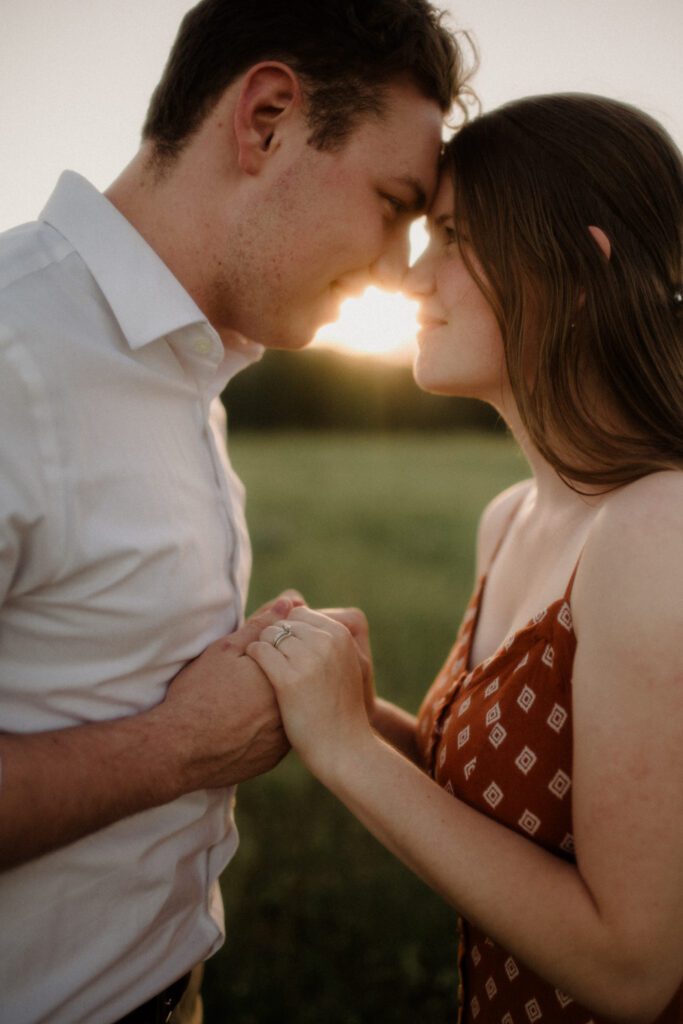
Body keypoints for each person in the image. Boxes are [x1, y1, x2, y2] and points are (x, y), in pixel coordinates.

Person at [0, 2, 469, 1021]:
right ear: (265, 119)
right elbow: (173, 730)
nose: (399, 269)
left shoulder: (185, 368)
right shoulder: (14, 356)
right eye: (394, 204)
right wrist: (177, 746)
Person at [248, 93, 683, 1023]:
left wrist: (348, 753)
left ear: (576, 271)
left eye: (450, 237)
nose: (411, 281)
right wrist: (358, 713)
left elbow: (631, 970)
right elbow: (505, 812)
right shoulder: (512, 517)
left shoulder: (657, 531)